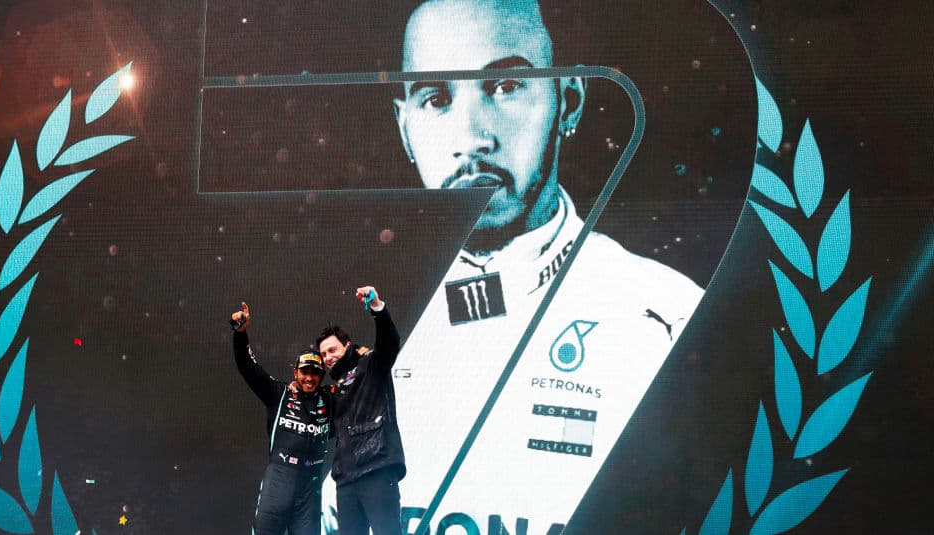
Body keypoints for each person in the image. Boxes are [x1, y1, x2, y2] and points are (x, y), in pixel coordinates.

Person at [324, 1, 706, 533]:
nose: (472, 138)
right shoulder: (340, 327)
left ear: (568, 101)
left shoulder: (669, 319)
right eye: (436, 98)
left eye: (505, 87)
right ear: (405, 128)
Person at [230, 302, 332, 535]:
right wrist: (240, 333)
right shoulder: (279, 393)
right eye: (304, 372)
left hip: (310, 487)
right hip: (279, 481)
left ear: (322, 376)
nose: (309, 378)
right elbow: (247, 367)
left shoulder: (329, 399)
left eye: (315, 373)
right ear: (295, 372)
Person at [316, 286, 403, 535]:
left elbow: (389, 343)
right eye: (323, 354)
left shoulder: (370, 365)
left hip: (376, 468)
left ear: (347, 346)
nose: (328, 357)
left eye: (332, 350)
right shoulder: (335, 389)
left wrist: (377, 307)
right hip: (346, 479)